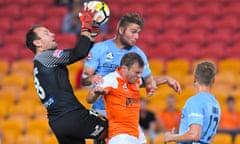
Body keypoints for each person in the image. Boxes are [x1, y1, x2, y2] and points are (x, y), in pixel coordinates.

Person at [81, 12, 181, 144]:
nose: (136, 37)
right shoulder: (100, 49)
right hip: (103, 113)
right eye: (133, 32)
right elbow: (84, 79)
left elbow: (145, 81)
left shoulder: (138, 54)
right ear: (121, 30)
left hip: (126, 117)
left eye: (138, 33)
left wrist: (165, 80)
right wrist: (92, 79)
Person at [25, 4, 108, 144]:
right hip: (72, 115)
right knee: (114, 128)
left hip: (57, 123)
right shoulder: (46, 57)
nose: (52, 34)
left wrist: (92, 30)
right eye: (46, 33)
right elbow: (79, 52)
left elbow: (83, 49)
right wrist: (86, 24)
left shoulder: (39, 63)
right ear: (37, 42)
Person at [87, 52, 180, 144]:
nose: (139, 76)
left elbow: (148, 82)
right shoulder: (111, 80)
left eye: (140, 73)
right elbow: (89, 99)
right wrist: (95, 93)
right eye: (137, 72)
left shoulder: (135, 80)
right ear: (124, 68)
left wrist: (167, 79)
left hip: (136, 133)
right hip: (120, 135)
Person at [164, 61, 221, 144]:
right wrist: (179, 136)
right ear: (213, 81)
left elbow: (194, 134)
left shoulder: (195, 101)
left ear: (194, 78)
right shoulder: (216, 104)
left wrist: (172, 137)